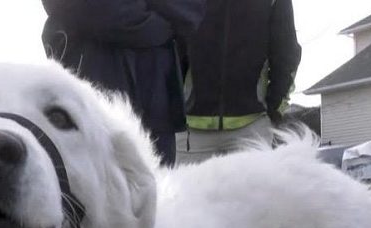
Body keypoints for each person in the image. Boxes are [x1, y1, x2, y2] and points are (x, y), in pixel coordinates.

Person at [41, 0, 206, 166]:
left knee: (157, 184)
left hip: (155, 100)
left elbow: (189, 9)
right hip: (93, 94)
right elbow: (98, 10)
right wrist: (156, 24)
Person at [177, 0, 302, 163]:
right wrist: (172, 108)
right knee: (185, 190)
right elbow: (171, 50)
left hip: (251, 130)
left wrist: (274, 109)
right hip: (190, 131)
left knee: (258, 189)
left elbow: (286, 52)